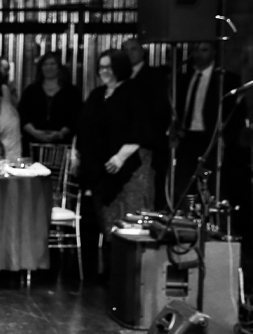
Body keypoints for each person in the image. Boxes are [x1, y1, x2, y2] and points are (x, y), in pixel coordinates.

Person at [74, 48, 152, 245]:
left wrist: (120, 157)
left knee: (124, 220)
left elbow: (139, 128)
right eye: (101, 67)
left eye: (109, 67)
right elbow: (82, 125)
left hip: (123, 169)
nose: (104, 71)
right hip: (96, 169)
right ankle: (105, 268)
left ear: (120, 67)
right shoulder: (97, 94)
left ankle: (120, 269)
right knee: (103, 221)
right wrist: (75, 152)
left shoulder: (133, 91)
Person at [174, 41, 240, 204]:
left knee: (213, 185)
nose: (198, 54)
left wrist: (225, 139)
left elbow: (236, 114)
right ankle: (186, 221)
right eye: (195, 50)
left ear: (213, 53)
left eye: (204, 50)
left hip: (211, 138)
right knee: (183, 184)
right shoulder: (184, 78)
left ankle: (216, 222)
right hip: (187, 137)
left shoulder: (225, 79)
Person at [121, 35, 173, 209]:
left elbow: (160, 110)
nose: (129, 54)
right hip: (124, 142)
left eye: (133, 49)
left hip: (148, 143)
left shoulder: (155, 76)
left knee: (148, 189)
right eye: (125, 50)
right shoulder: (120, 76)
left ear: (142, 52)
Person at [18, 50, 82, 152]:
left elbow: (76, 117)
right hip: (32, 144)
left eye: (52, 64)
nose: (49, 67)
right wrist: (35, 133)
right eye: (45, 64)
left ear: (59, 67)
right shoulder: (31, 90)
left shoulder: (72, 91)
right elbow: (22, 115)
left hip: (62, 146)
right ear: (41, 68)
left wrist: (61, 133)